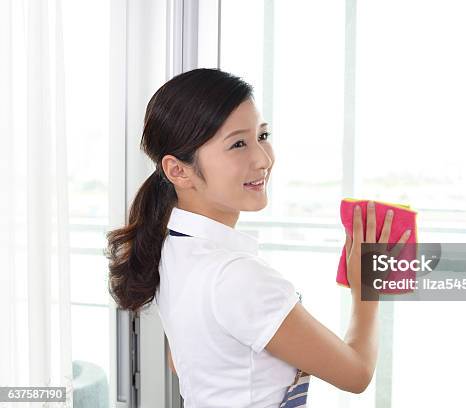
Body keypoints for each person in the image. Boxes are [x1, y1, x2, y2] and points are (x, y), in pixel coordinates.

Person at [105, 68, 411, 407]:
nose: (263, 159)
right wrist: (366, 286)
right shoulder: (236, 276)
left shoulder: (171, 246)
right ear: (179, 170)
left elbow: (183, 361)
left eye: (262, 136)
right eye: (238, 144)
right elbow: (356, 375)